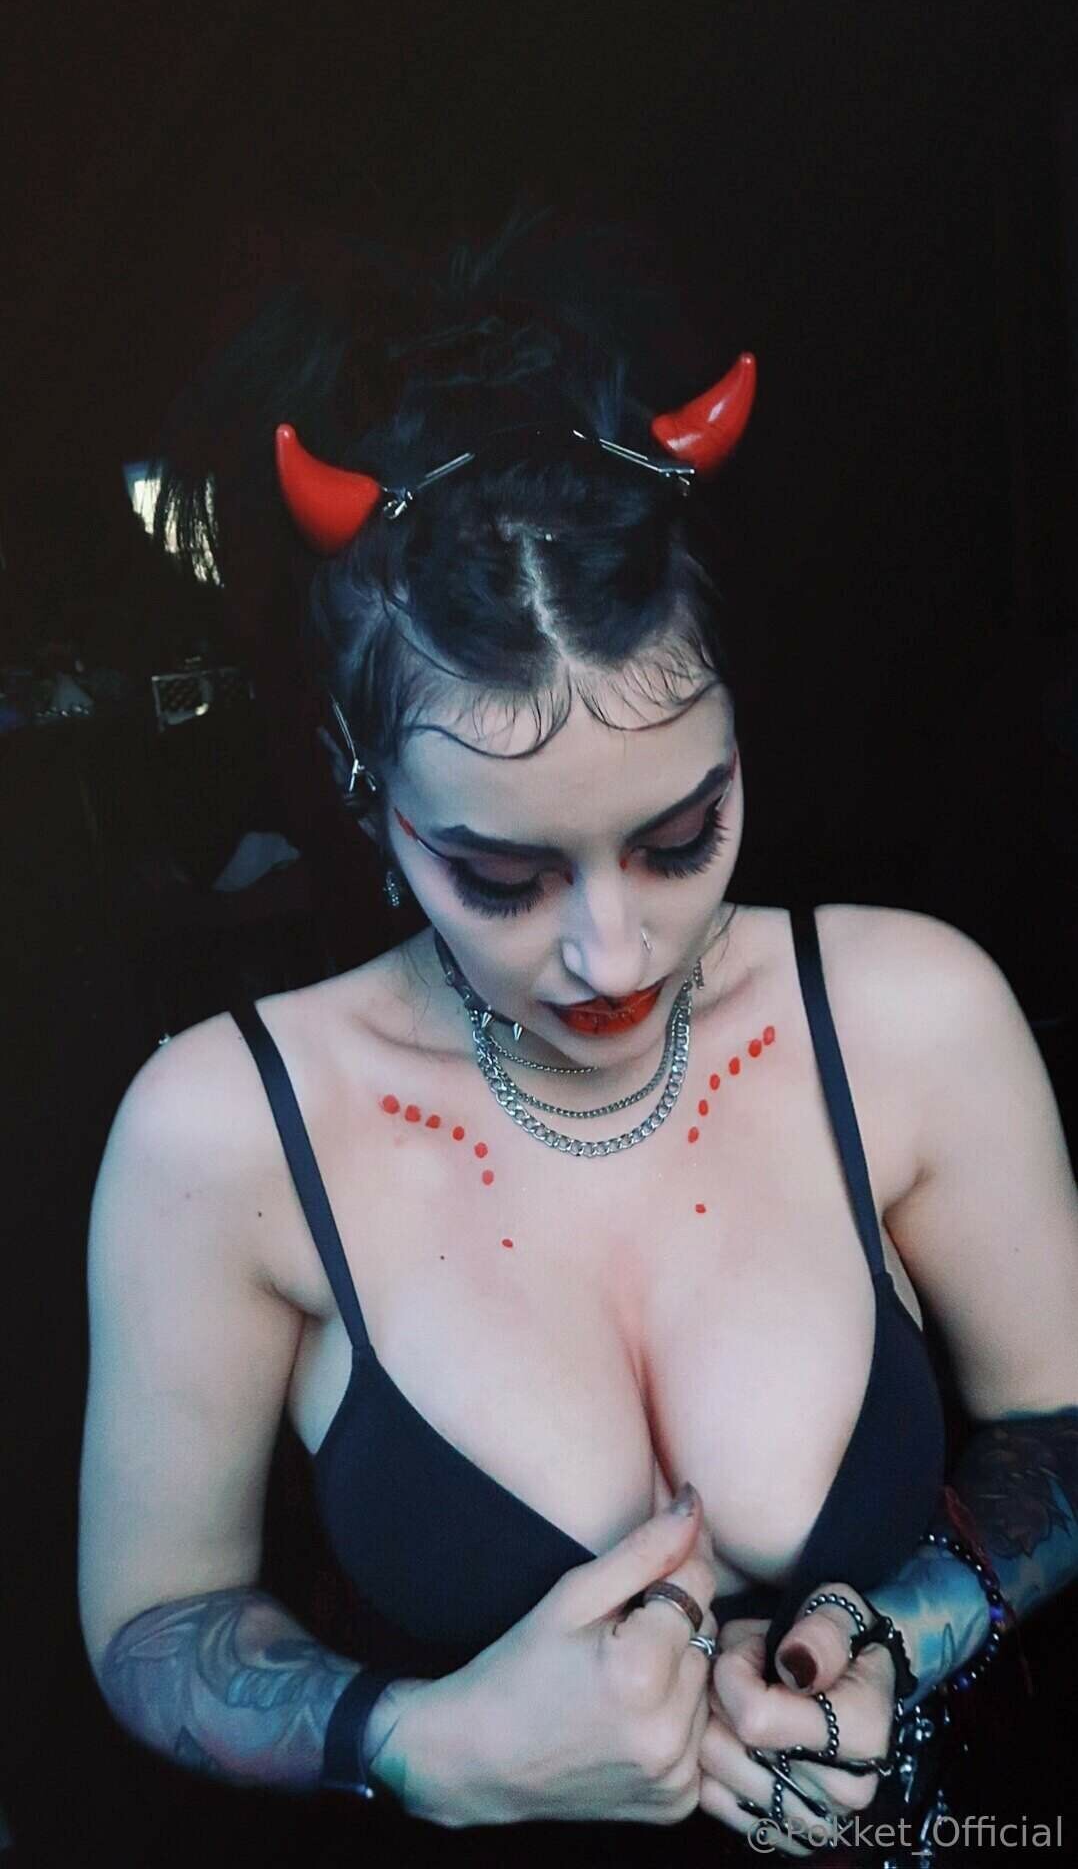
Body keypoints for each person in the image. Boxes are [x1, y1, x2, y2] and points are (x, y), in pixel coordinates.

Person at [77, 224, 1078, 1866]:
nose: (613, 954)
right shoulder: (226, 1132)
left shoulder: (910, 1017)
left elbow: (1059, 1430)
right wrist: (416, 1744)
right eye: (501, 877)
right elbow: (151, 1622)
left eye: (681, 838)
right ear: (365, 791)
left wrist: (898, 1632)